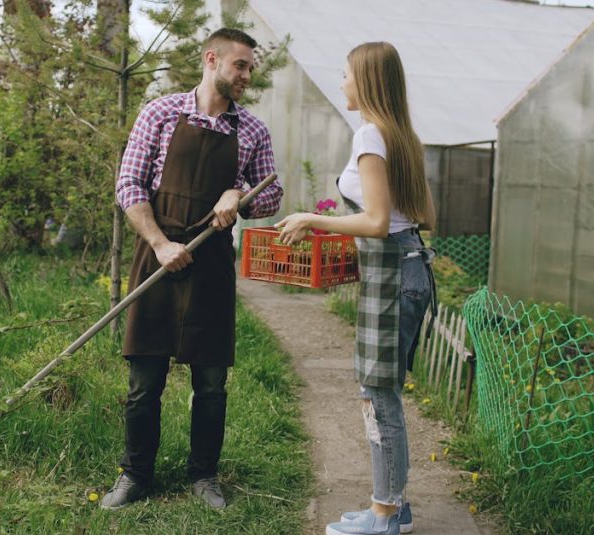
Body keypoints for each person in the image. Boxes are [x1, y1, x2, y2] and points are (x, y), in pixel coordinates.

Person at [101, 27, 283, 510]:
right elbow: (130, 186)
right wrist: (160, 243)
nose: (247, 75)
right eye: (240, 65)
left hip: (211, 264)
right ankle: (136, 474)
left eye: (250, 67)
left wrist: (238, 194)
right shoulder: (160, 114)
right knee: (144, 382)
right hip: (157, 258)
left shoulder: (253, 131)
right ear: (212, 60)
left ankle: (204, 477)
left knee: (210, 383)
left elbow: (273, 195)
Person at [275, 41, 436, 535]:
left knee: (377, 394)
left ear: (364, 80)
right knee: (383, 391)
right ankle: (395, 506)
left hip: (393, 277)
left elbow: (377, 221)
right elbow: (419, 219)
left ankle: (384, 516)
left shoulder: (370, 136)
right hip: (409, 272)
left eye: (345, 74)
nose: (341, 81)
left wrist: (312, 220)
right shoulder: (400, 134)